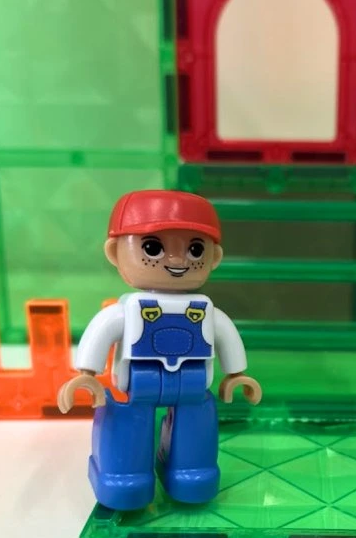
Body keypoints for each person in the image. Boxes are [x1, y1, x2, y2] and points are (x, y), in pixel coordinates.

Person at [56, 190, 262, 511]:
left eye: (195, 249)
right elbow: (100, 333)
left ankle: (191, 473)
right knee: (126, 420)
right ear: (115, 252)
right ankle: (124, 477)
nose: (177, 261)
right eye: (153, 248)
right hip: (139, 384)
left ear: (214, 258)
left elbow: (226, 336)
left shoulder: (207, 311)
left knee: (197, 422)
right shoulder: (124, 312)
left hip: (192, 383)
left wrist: (236, 374)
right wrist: (87, 374)